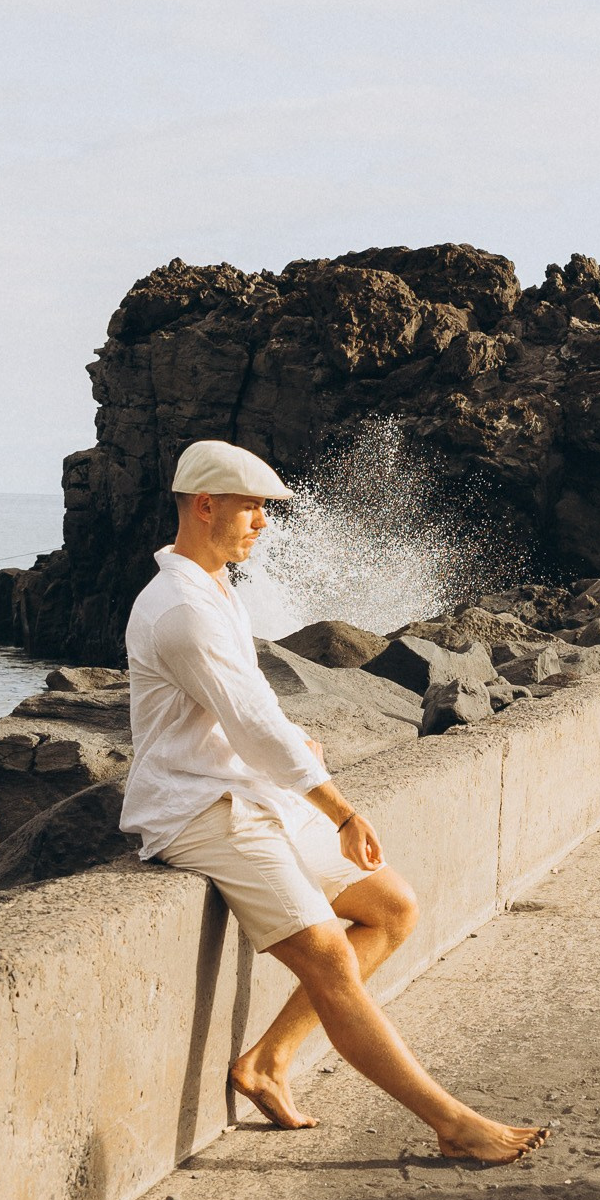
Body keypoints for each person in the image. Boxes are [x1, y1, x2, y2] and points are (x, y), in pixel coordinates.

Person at [122, 438, 544, 1161]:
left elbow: (249, 711)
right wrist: (340, 810)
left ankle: (265, 1063)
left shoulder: (215, 587)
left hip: (247, 789)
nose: (263, 523)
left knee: (392, 908)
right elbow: (251, 724)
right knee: (327, 956)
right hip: (199, 808)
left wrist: (301, 746)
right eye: (253, 508)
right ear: (204, 506)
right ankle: (454, 1124)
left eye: (265, 510)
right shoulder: (180, 610)